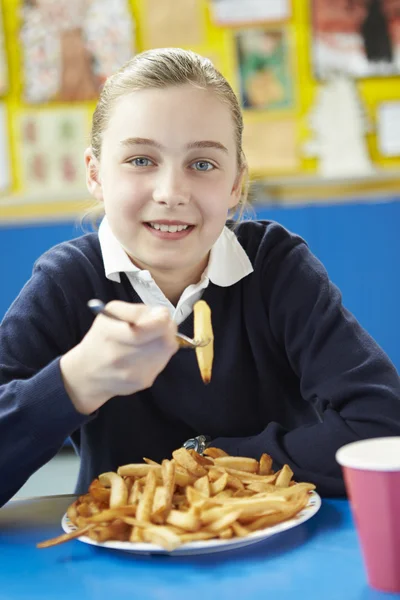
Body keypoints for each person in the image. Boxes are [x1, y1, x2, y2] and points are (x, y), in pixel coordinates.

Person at [1, 48, 399, 507]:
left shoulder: (275, 267)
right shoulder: (66, 282)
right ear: (95, 174)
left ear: (235, 184)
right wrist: (72, 383)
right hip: (118, 554)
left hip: (274, 545)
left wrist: (204, 462)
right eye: (140, 160)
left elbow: (382, 427)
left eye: (203, 164)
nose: (171, 192)